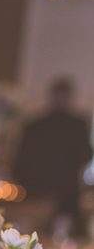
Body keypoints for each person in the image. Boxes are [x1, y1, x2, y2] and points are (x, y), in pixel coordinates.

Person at [14, 76, 92, 236]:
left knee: (33, 235)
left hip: (36, 190)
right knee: (64, 236)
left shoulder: (34, 124)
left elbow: (19, 162)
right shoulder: (78, 124)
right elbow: (85, 155)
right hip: (65, 193)